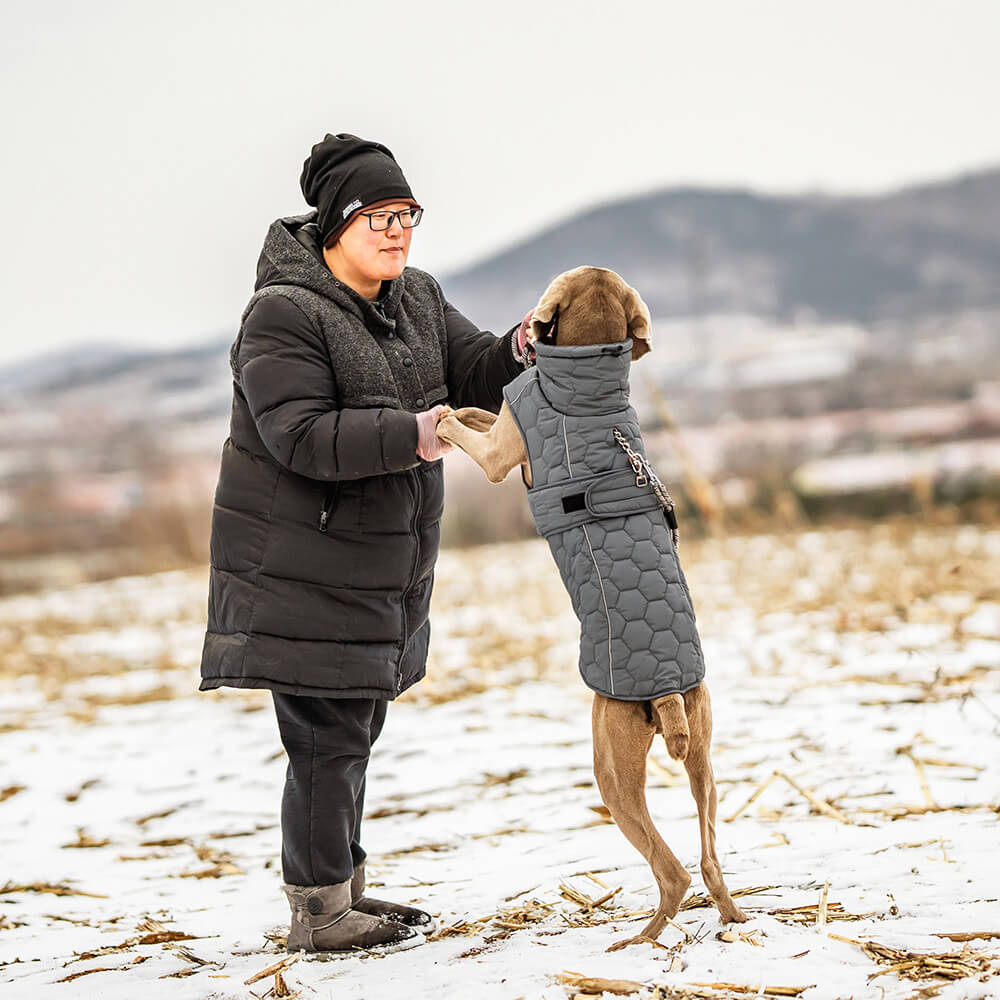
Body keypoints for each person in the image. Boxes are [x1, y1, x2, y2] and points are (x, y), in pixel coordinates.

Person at [199, 133, 534, 955]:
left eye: (407, 214)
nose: (398, 231)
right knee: (325, 739)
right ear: (336, 224)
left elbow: (475, 366)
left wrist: (523, 344)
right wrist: (416, 435)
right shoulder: (282, 312)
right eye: (380, 216)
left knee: (351, 732)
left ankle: (340, 889)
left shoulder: (415, 297)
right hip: (301, 567)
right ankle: (319, 913)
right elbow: (300, 435)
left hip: (374, 567)